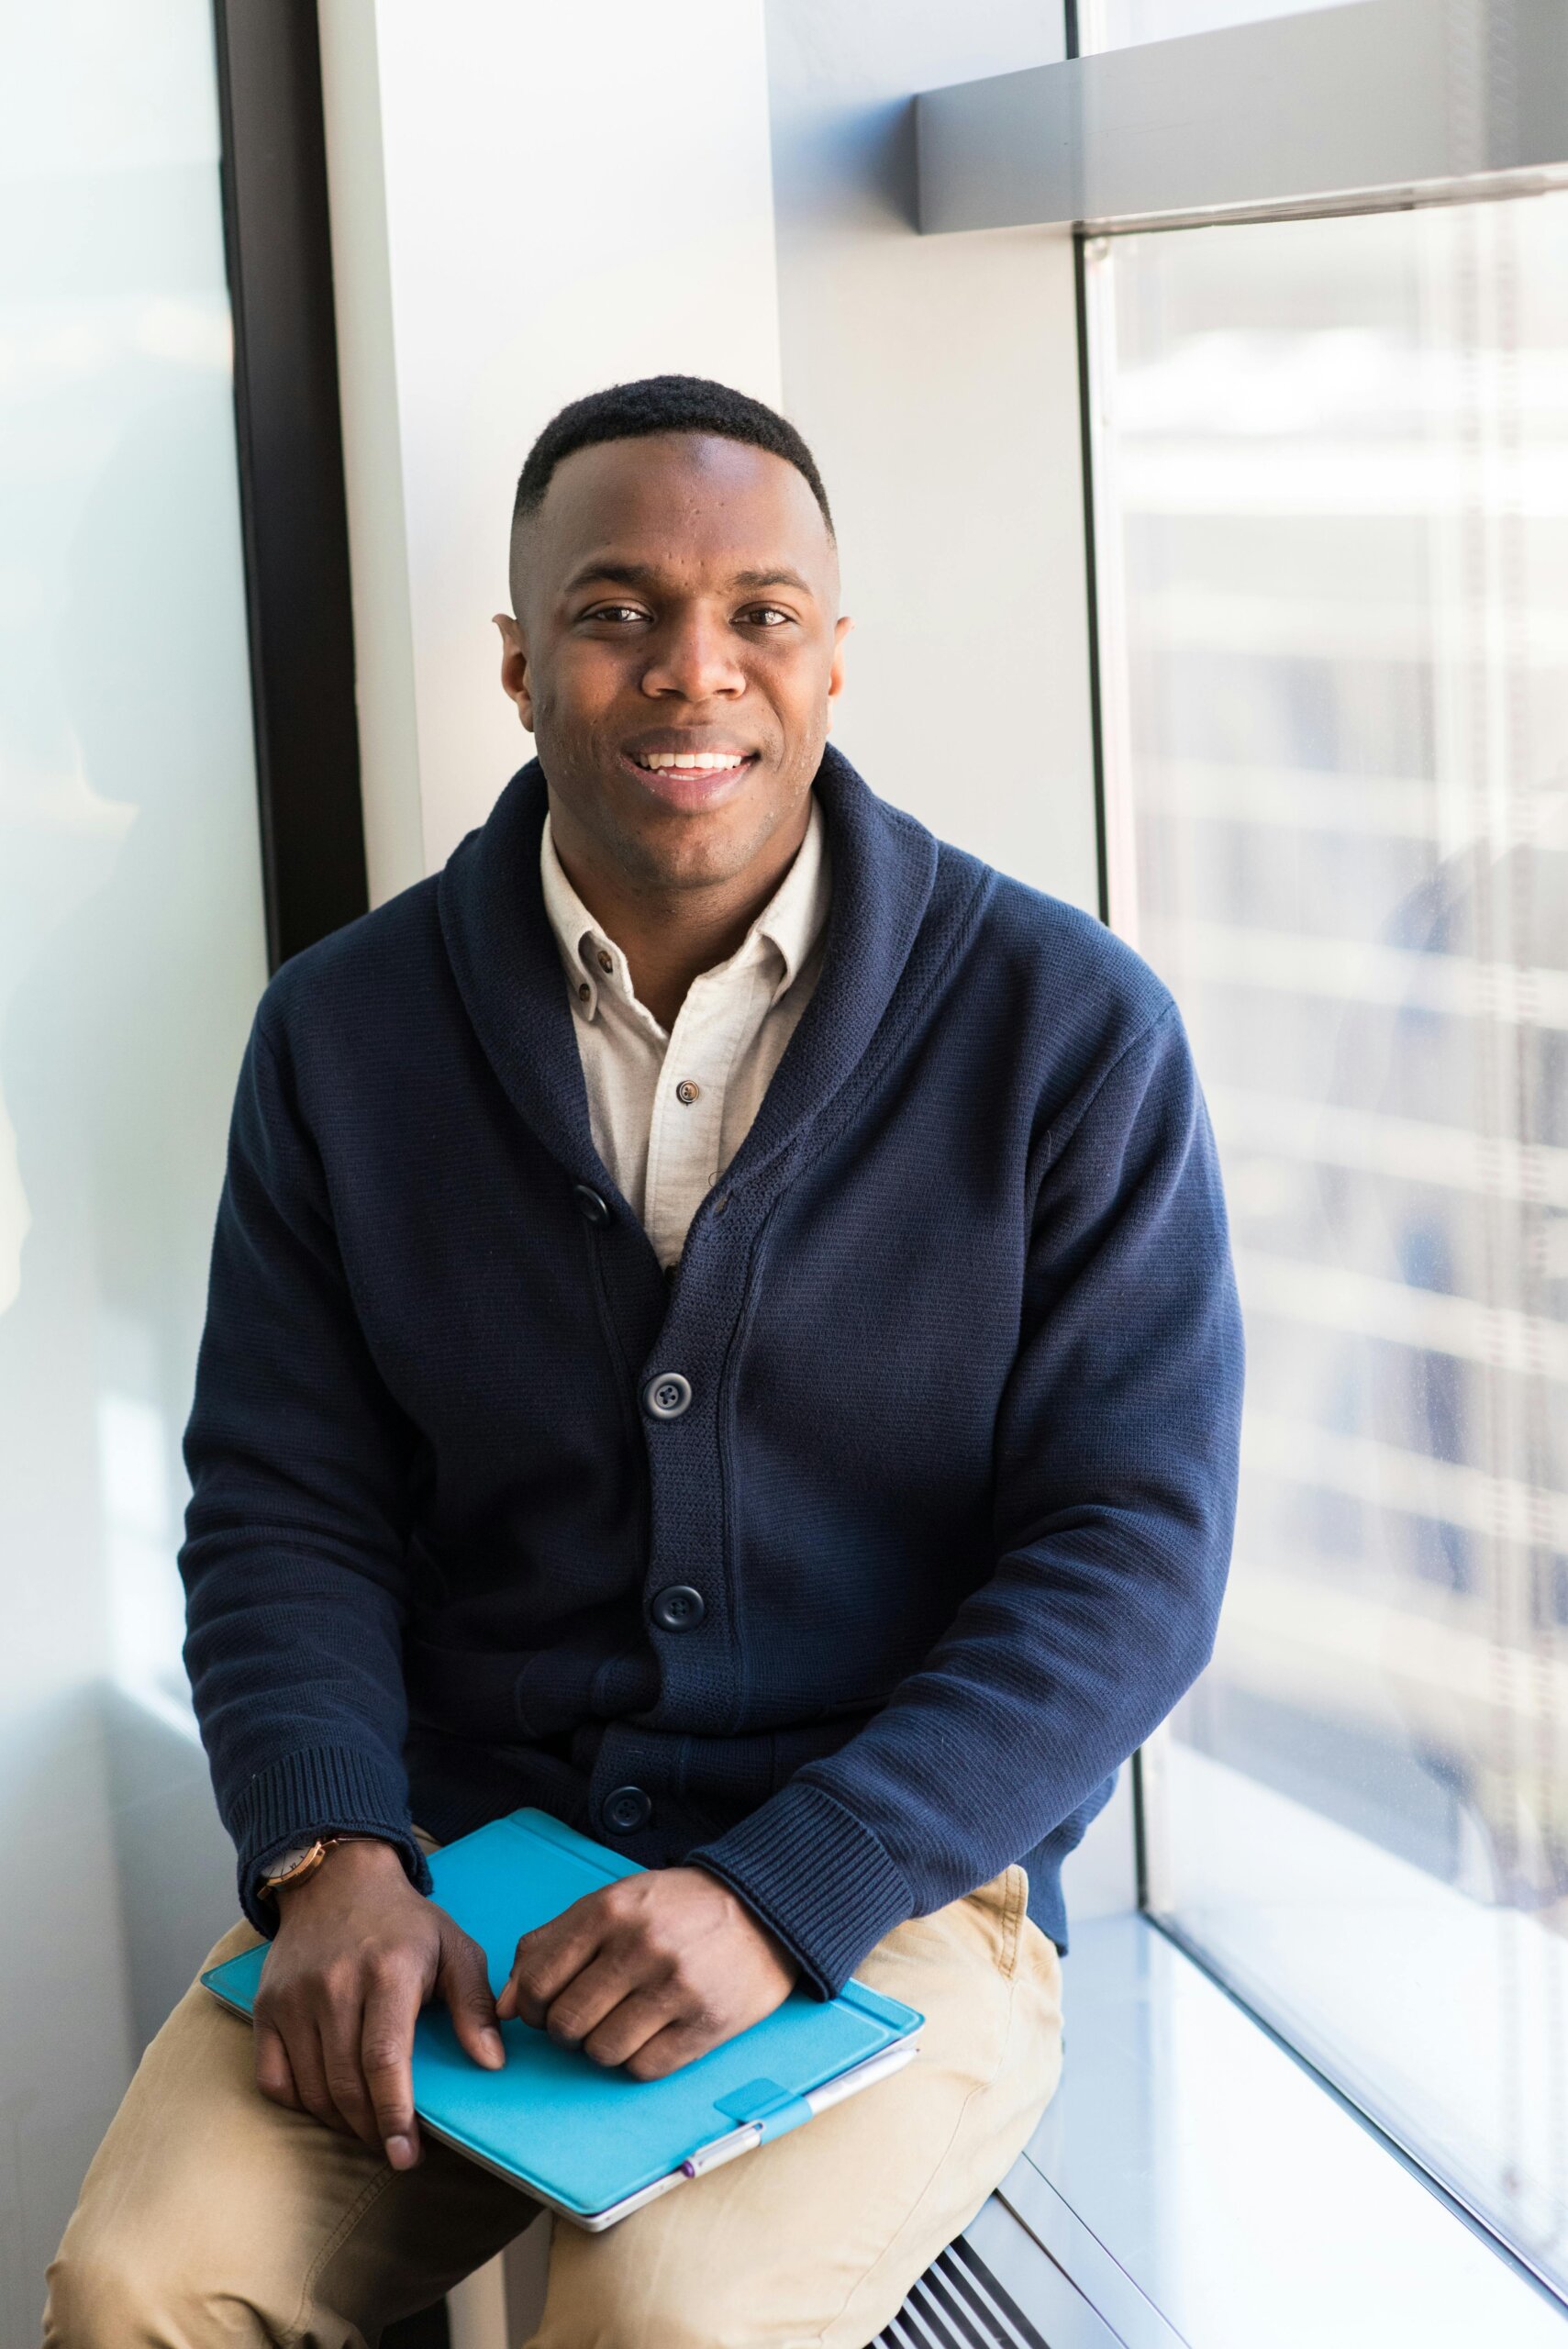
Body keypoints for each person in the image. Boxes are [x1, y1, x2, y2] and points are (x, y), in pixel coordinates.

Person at [45, 375, 1242, 2347]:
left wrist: (782, 1890)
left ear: (835, 656)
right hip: (456, 1880)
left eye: (760, 612)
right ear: (520, 665)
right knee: (140, 2278)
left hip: (893, 1888)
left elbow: (1133, 1555)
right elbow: (284, 1504)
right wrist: (332, 1846)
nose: (696, 672)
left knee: (667, 2318)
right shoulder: (344, 1037)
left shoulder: (1067, 1028)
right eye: (618, 611)